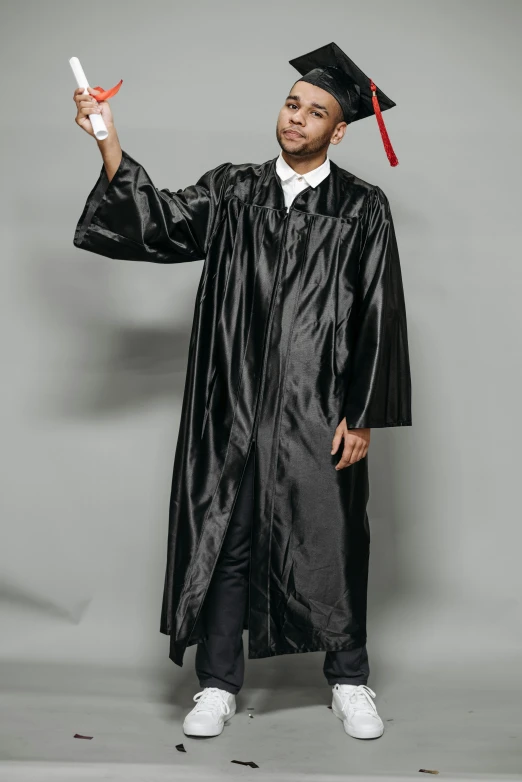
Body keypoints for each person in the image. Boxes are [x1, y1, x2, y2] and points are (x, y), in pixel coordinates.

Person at [72, 41, 412, 742]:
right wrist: (107, 138)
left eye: (315, 112)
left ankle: (350, 679)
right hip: (231, 404)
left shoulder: (363, 208)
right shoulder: (233, 190)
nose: (296, 119)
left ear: (338, 130)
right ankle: (218, 684)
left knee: (332, 540)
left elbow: (380, 311)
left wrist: (365, 414)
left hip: (318, 408)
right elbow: (160, 221)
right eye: (292, 104)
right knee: (227, 537)